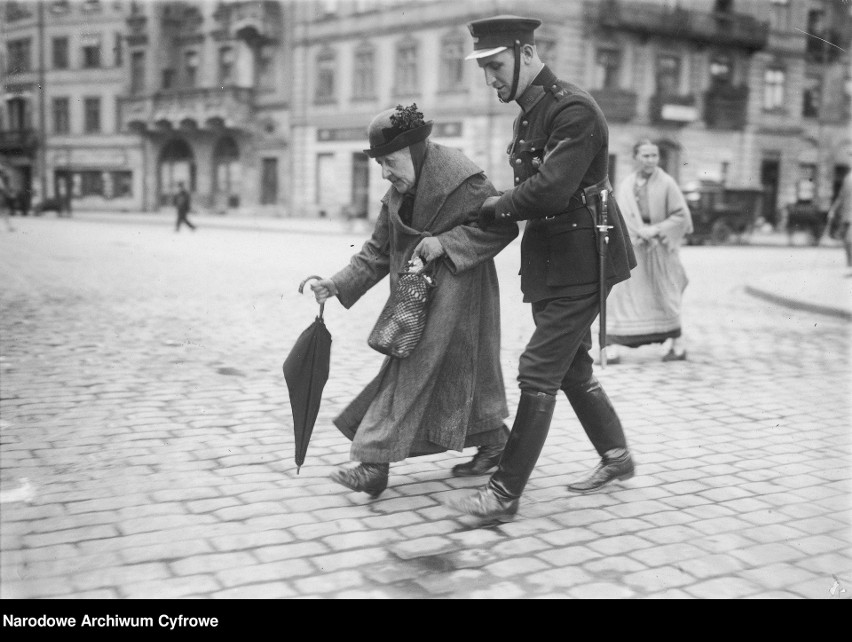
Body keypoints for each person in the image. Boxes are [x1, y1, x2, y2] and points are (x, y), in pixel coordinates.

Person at [447, 15, 637, 523]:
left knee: (538, 368)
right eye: (484, 68)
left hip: (585, 261)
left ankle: (503, 494)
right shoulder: (529, 114)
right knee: (570, 365)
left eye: (495, 65)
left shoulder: (573, 109)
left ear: (527, 54)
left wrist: (491, 207)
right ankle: (617, 457)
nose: (489, 78)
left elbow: (550, 191)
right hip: (554, 263)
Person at [309, 103, 519, 497]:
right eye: (380, 165)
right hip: (419, 297)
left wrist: (446, 242)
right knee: (462, 375)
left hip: (463, 294)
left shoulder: (463, 179)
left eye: (389, 162)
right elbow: (375, 251)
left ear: (415, 151)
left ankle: (373, 463)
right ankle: (495, 443)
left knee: (410, 371)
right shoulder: (397, 195)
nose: (385, 174)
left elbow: (502, 228)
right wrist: (336, 284)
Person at [606, 139, 693, 363]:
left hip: (660, 248)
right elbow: (621, 214)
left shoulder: (667, 183)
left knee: (666, 295)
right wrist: (635, 233)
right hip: (634, 247)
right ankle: (613, 347)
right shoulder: (627, 184)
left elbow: (681, 216)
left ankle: (677, 345)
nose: (651, 160)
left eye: (654, 156)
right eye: (645, 156)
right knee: (621, 295)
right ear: (636, 158)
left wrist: (655, 230)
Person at [826, 170, 852, 270]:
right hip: (846, 214)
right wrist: (833, 210)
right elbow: (841, 197)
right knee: (846, 241)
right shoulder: (848, 178)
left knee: (850, 240)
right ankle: (850, 266)